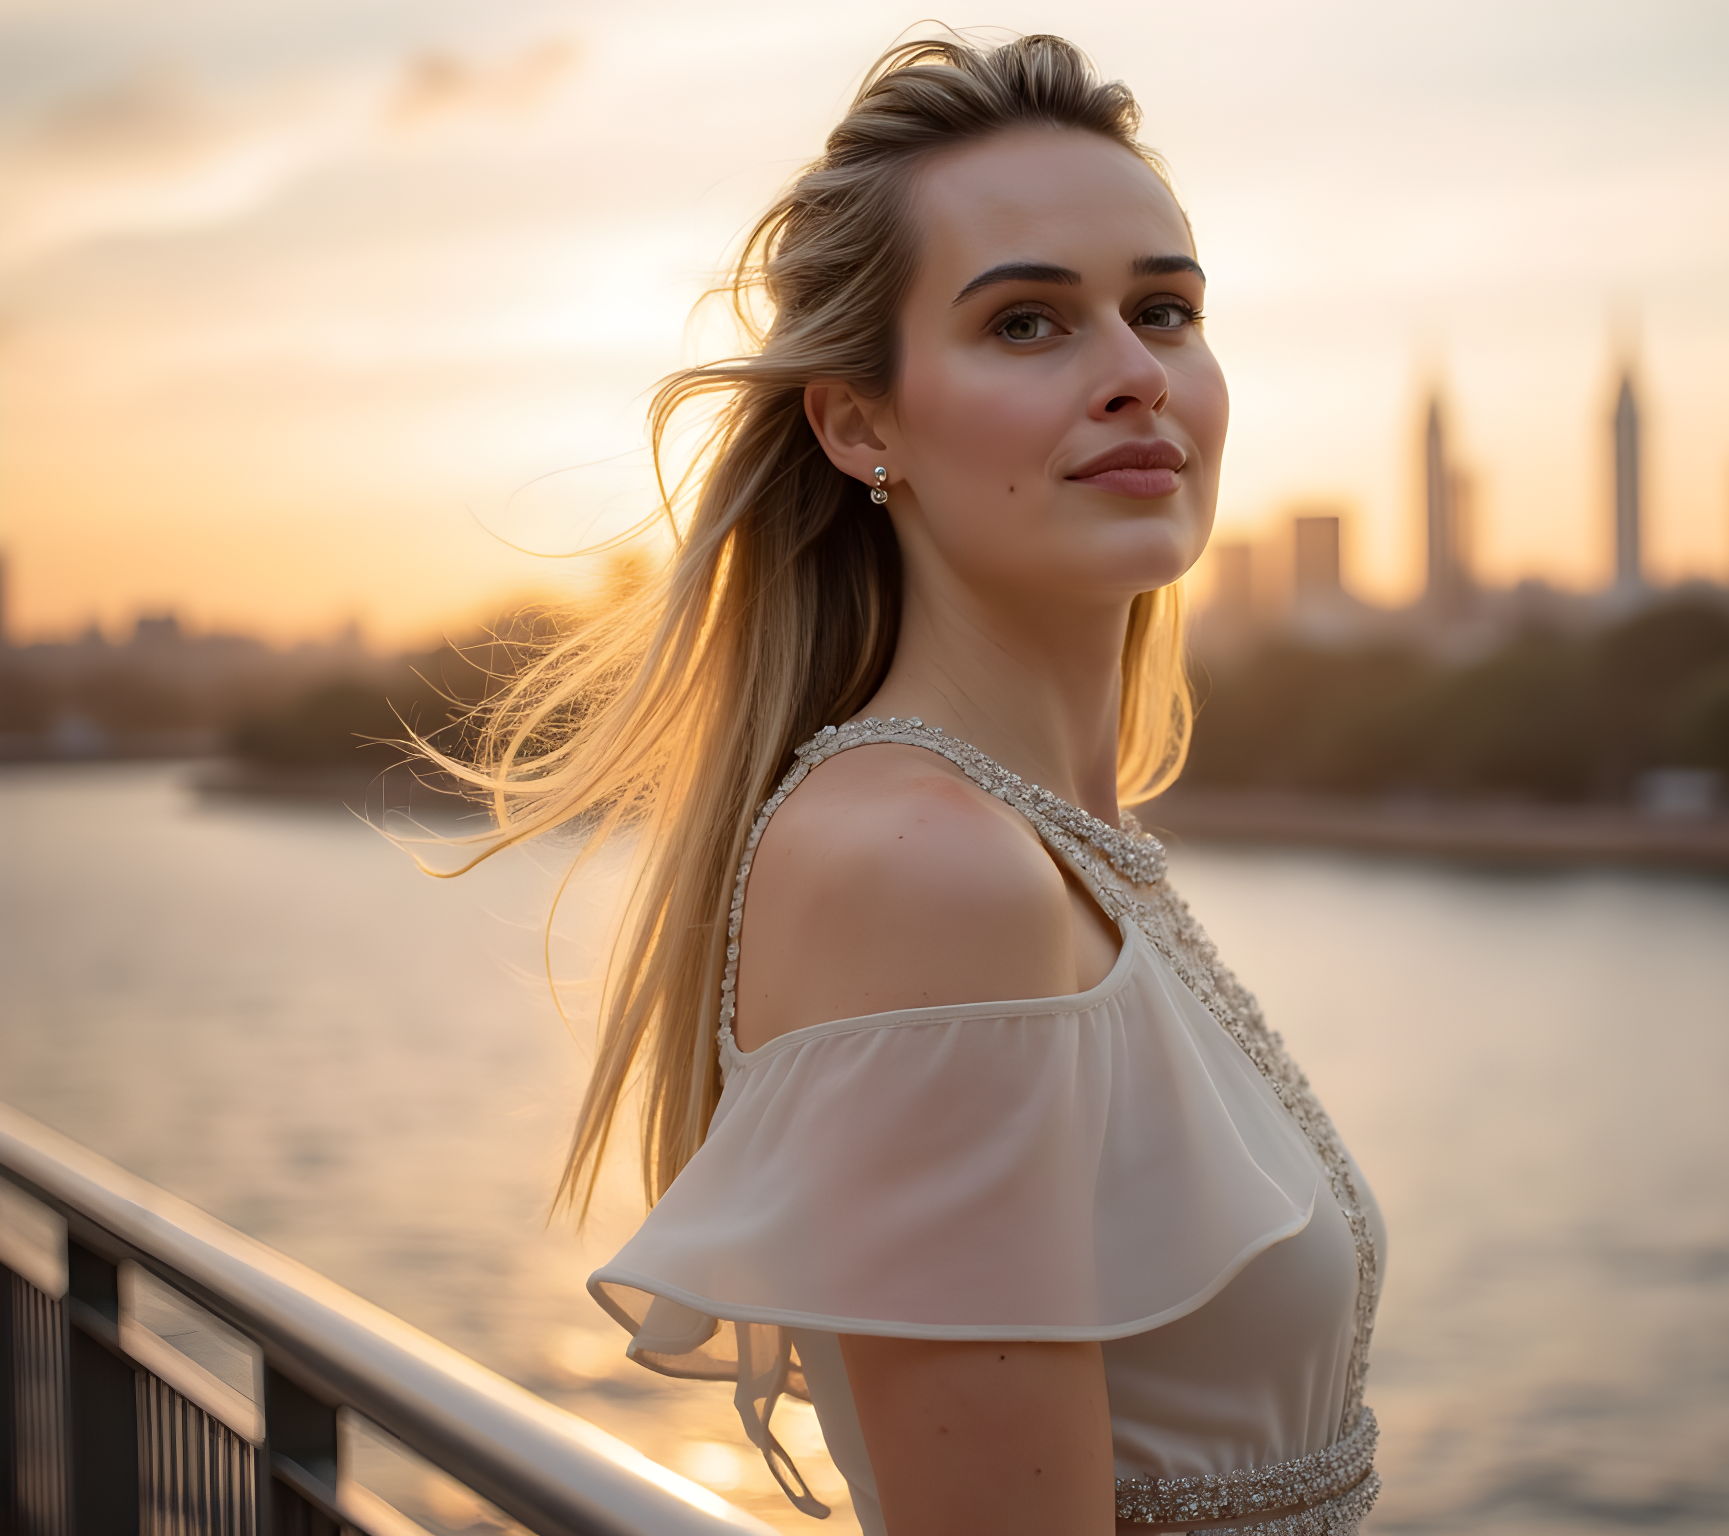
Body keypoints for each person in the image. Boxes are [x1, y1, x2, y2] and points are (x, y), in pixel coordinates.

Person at [432, 33, 1383, 1535]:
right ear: (860, 422)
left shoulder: (1048, 841)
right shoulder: (922, 865)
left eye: (1165, 310)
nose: (1137, 377)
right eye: (1027, 324)